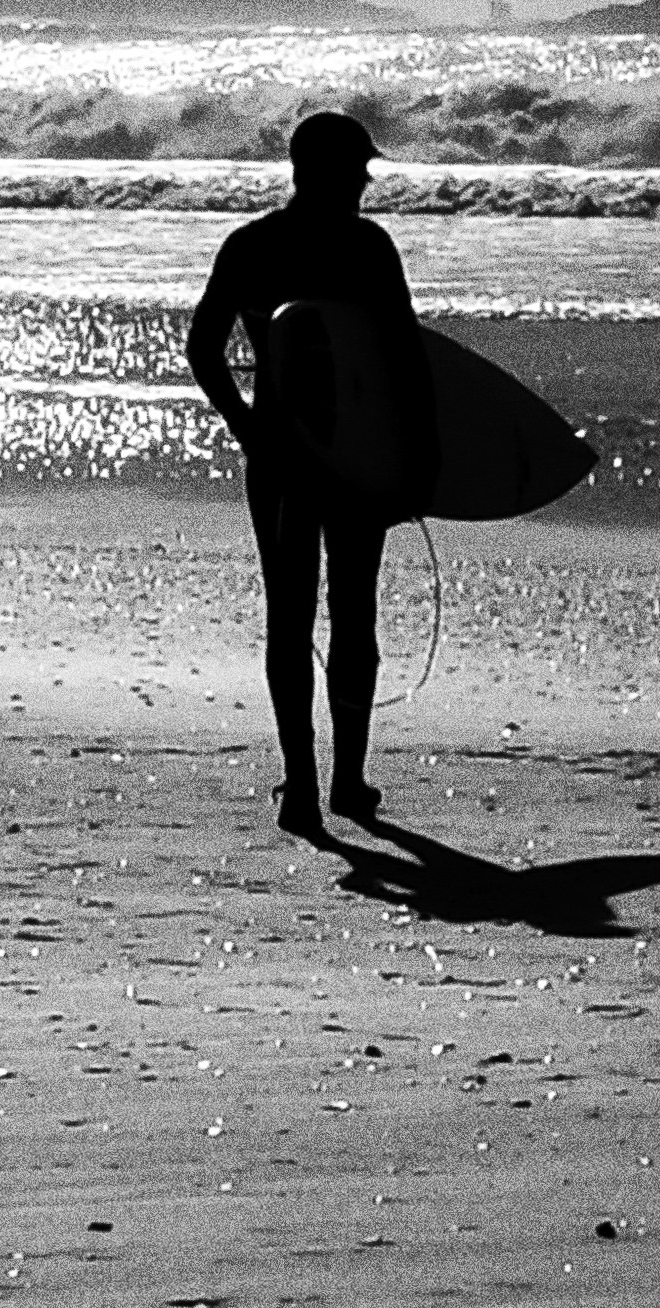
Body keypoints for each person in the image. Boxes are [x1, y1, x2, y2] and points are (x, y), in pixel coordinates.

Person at [185, 109, 438, 838]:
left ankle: (302, 787)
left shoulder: (251, 246)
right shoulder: (365, 248)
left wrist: (246, 425)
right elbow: (404, 359)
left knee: (289, 619)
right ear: (321, 169)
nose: (364, 180)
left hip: (281, 460)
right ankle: (345, 782)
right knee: (353, 611)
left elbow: (203, 348)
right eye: (357, 167)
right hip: (355, 458)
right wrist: (421, 457)